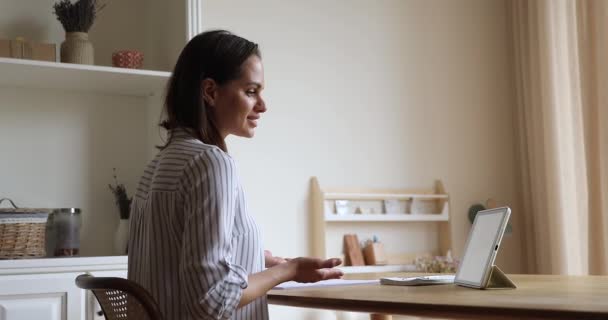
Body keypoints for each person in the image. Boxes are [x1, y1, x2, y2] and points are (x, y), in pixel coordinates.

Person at [128, 30, 344, 320]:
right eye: (251, 91)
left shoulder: (157, 166)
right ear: (210, 92)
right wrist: (288, 270)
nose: (263, 105)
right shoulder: (210, 163)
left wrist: (257, 255)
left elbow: (176, 256)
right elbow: (212, 300)